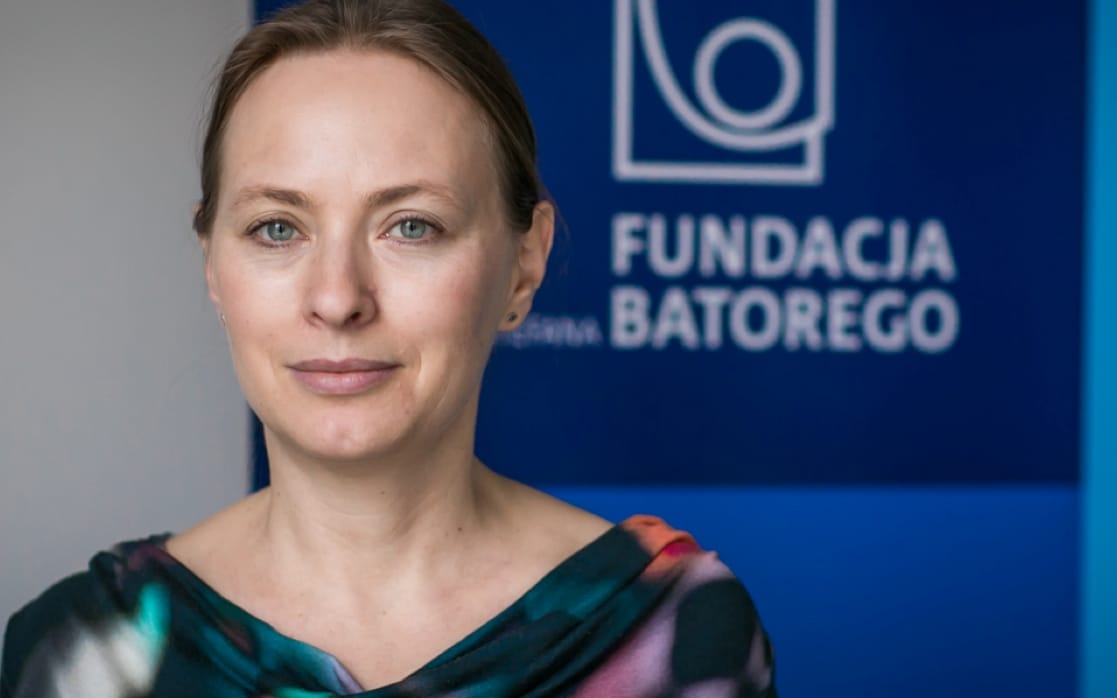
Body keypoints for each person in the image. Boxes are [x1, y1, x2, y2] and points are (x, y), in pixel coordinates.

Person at [0, 1, 777, 695]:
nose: (338, 298)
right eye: (277, 228)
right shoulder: (78, 654)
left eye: (411, 226)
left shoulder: (673, 627)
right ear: (213, 265)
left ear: (524, 263)